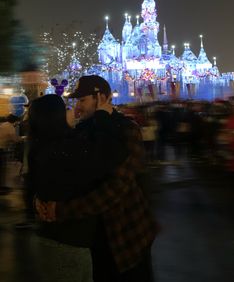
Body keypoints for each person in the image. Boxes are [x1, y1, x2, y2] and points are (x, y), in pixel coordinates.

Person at [37, 75, 159, 282]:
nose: (77, 107)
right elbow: (72, 175)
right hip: (94, 235)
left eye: (82, 100)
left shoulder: (127, 129)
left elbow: (114, 189)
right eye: (76, 101)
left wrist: (62, 210)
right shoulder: (84, 129)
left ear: (101, 98)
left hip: (126, 236)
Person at [27, 93, 125, 281]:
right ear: (56, 117)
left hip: (50, 237)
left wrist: (36, 201)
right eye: (65, 108)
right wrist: (103, 116)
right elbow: (111, 155)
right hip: (68, 242)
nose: (73, 109)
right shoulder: (66, 149)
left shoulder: (40, 147)